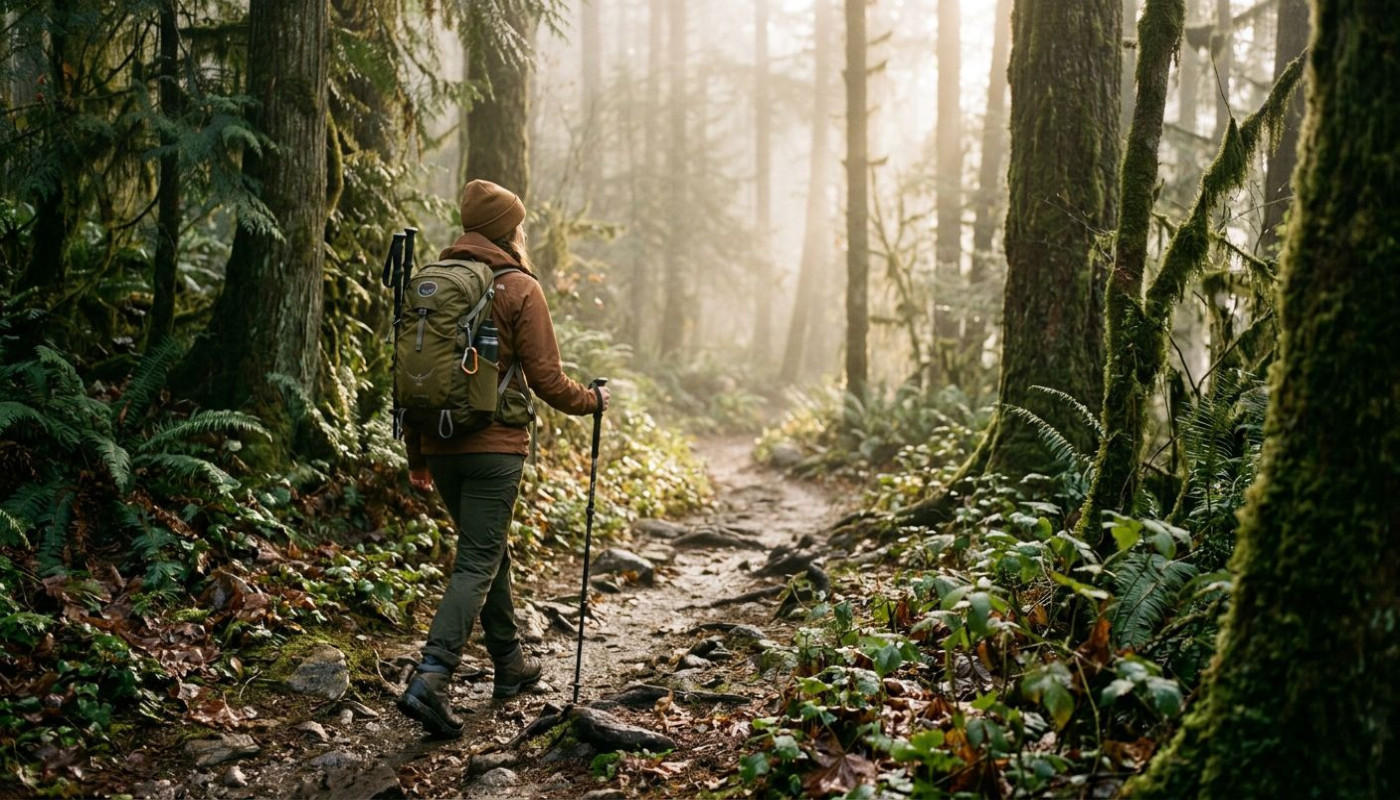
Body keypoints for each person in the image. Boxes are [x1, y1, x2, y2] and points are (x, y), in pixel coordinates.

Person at [396, 179, 610, 738]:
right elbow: (545, 378)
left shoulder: (433, 283)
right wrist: (592, 401)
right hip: (494, 449)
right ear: (506, 229)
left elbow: (413, 380)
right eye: (518, 223)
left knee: (486, 552)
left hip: (440, 447)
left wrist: (418, 455)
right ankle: (431, 676)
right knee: (477, 559)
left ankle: (510, 664)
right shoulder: (519, 287)